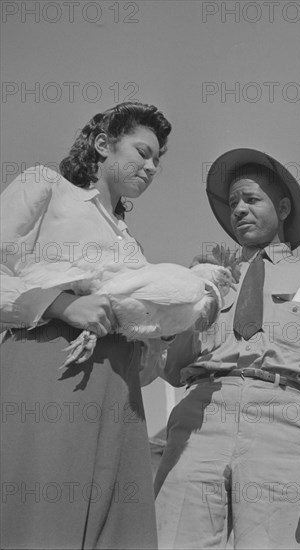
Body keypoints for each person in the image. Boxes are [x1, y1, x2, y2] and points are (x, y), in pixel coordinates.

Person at [154, 148, 300, 549]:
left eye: (251, 199)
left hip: (283, 421)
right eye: (233, 203)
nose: (239, 210)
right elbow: (172, 370)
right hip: (200, 417)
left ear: (281, 208)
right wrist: (192, 303)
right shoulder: (209, 276)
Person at [1, 101, 172, 549]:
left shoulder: (131, 244)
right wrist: (59, 304)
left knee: (119, 530)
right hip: (48, 369)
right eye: (142, 151)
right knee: (40, 519)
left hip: (121, 392)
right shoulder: (46, 186)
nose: (152, 166)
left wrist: (162, 328)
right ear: (102, 144)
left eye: (158, 159)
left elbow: (153, 365)